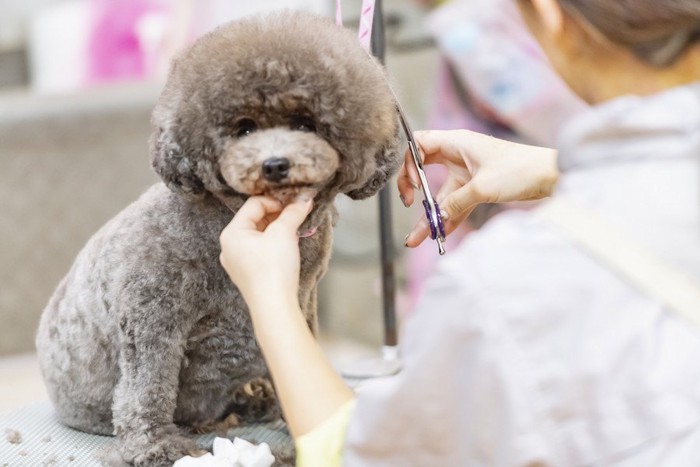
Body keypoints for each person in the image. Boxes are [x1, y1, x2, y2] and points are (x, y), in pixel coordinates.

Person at [219, 0, 700, 465]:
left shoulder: (507, 288)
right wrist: (553, 170)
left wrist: (270, 298)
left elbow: (361, 455)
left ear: (551, 14)